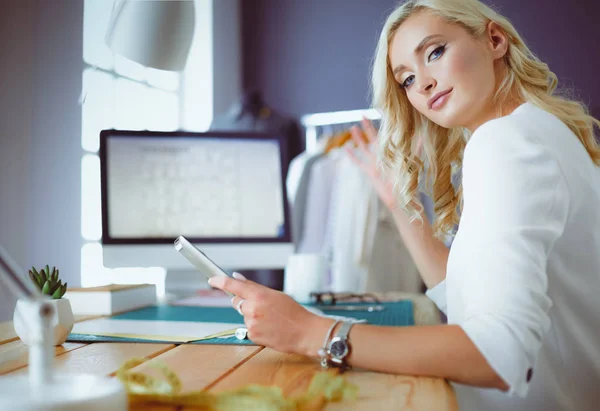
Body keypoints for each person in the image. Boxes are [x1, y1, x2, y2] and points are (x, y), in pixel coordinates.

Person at [207, 0, 600, 409]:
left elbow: (500, 353)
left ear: (495, 39)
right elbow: (467, 298)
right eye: (407, 79)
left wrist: (312, 332)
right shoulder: (540, 130)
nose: (424, 84)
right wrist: (397, 201)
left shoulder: (504, 142)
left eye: (435, 52)